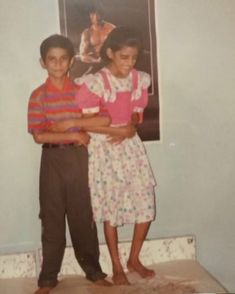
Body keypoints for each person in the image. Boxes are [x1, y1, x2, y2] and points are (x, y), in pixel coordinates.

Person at [51, 27, 157, 285]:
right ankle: (117, 266)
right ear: (110, 53)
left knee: (145, 202)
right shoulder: (97, 82)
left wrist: (131, 126)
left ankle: (134, 259)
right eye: (124, 57)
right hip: (104, 149)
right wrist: (117, 130)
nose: (129, 63)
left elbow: (136, 114)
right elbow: (85, 123)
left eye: (133, 58)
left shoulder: (138, 80)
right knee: (111, 206)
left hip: (130, 146)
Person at [27, 34, 112, 294]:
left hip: (79, 159)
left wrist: (75, 127)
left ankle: (94, 271)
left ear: (71, 61)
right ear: (43, 63)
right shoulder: (38, 96)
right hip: (52, 160)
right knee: (52, 219)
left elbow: (105, 120)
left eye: (63, 59)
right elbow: (39, 135)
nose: (58, 64)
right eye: (51, 60)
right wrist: (73, 133)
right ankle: (47, 279)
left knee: (82, 216)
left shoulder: (82, 92)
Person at [77, 6, 115, 74]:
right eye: (93, 14)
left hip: (111, 62)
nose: (96, 17)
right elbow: (83, 55)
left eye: (98, 13)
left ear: (102, 14)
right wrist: (96, 61)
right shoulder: (87, 33)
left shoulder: (111, 29)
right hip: (95, 64)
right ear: (90, 16)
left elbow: (121, 47)